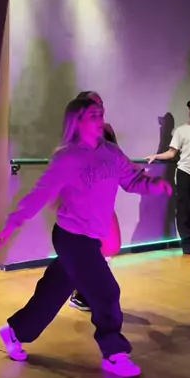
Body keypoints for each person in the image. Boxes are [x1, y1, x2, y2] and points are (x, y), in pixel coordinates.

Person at [0, 95, 171, 378]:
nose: (100, 119)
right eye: (93, 115)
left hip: (91, 238)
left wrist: (155, 185)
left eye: (101, 113)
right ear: (77, 122)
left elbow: (132, 180)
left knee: (53, 291)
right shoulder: (67, 157)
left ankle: (15, 331)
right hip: (71, 237)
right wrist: (12, 223)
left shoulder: (112, 153)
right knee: (106, 291)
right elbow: (40, 194)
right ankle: (114, 353)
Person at [69, 90, 121, 313]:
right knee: (86, 249)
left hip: (103, 201)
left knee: (108, 246)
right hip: (83, 203)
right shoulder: (75, 134)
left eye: (101, 104)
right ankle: (82, 292)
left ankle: (90, 291)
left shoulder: (107, 131)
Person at [146, 98, 190, 254]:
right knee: (184, 209)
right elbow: (172, 152)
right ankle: (186, 243)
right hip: (184, 172)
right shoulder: (181, 131)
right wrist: (156, 156)